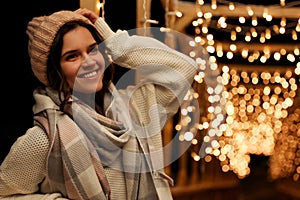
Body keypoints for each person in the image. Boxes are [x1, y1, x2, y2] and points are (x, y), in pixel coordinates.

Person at [0, 8, 198, 200]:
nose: (89, 61)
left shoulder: (138, 107)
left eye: (93, 49)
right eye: (72, 56)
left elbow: (183, 68)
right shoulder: (44, 139)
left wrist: (114, 42)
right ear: (53, 71)